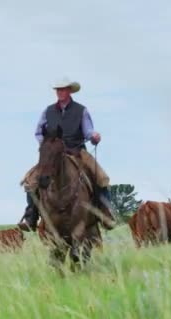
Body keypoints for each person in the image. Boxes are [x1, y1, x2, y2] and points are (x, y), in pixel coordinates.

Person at [17, 77, 117, 232]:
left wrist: (94, 136)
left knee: (101, 177)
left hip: (76, 151)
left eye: (63, 89)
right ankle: (31, 216)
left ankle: (106, 213)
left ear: (69, 91)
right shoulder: (48, 111)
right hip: (52, 155)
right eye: (58, 89)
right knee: (30, 181)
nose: (60, 92)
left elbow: (88, 131)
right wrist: (46, 147)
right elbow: (38, 132)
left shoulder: (81, 110)